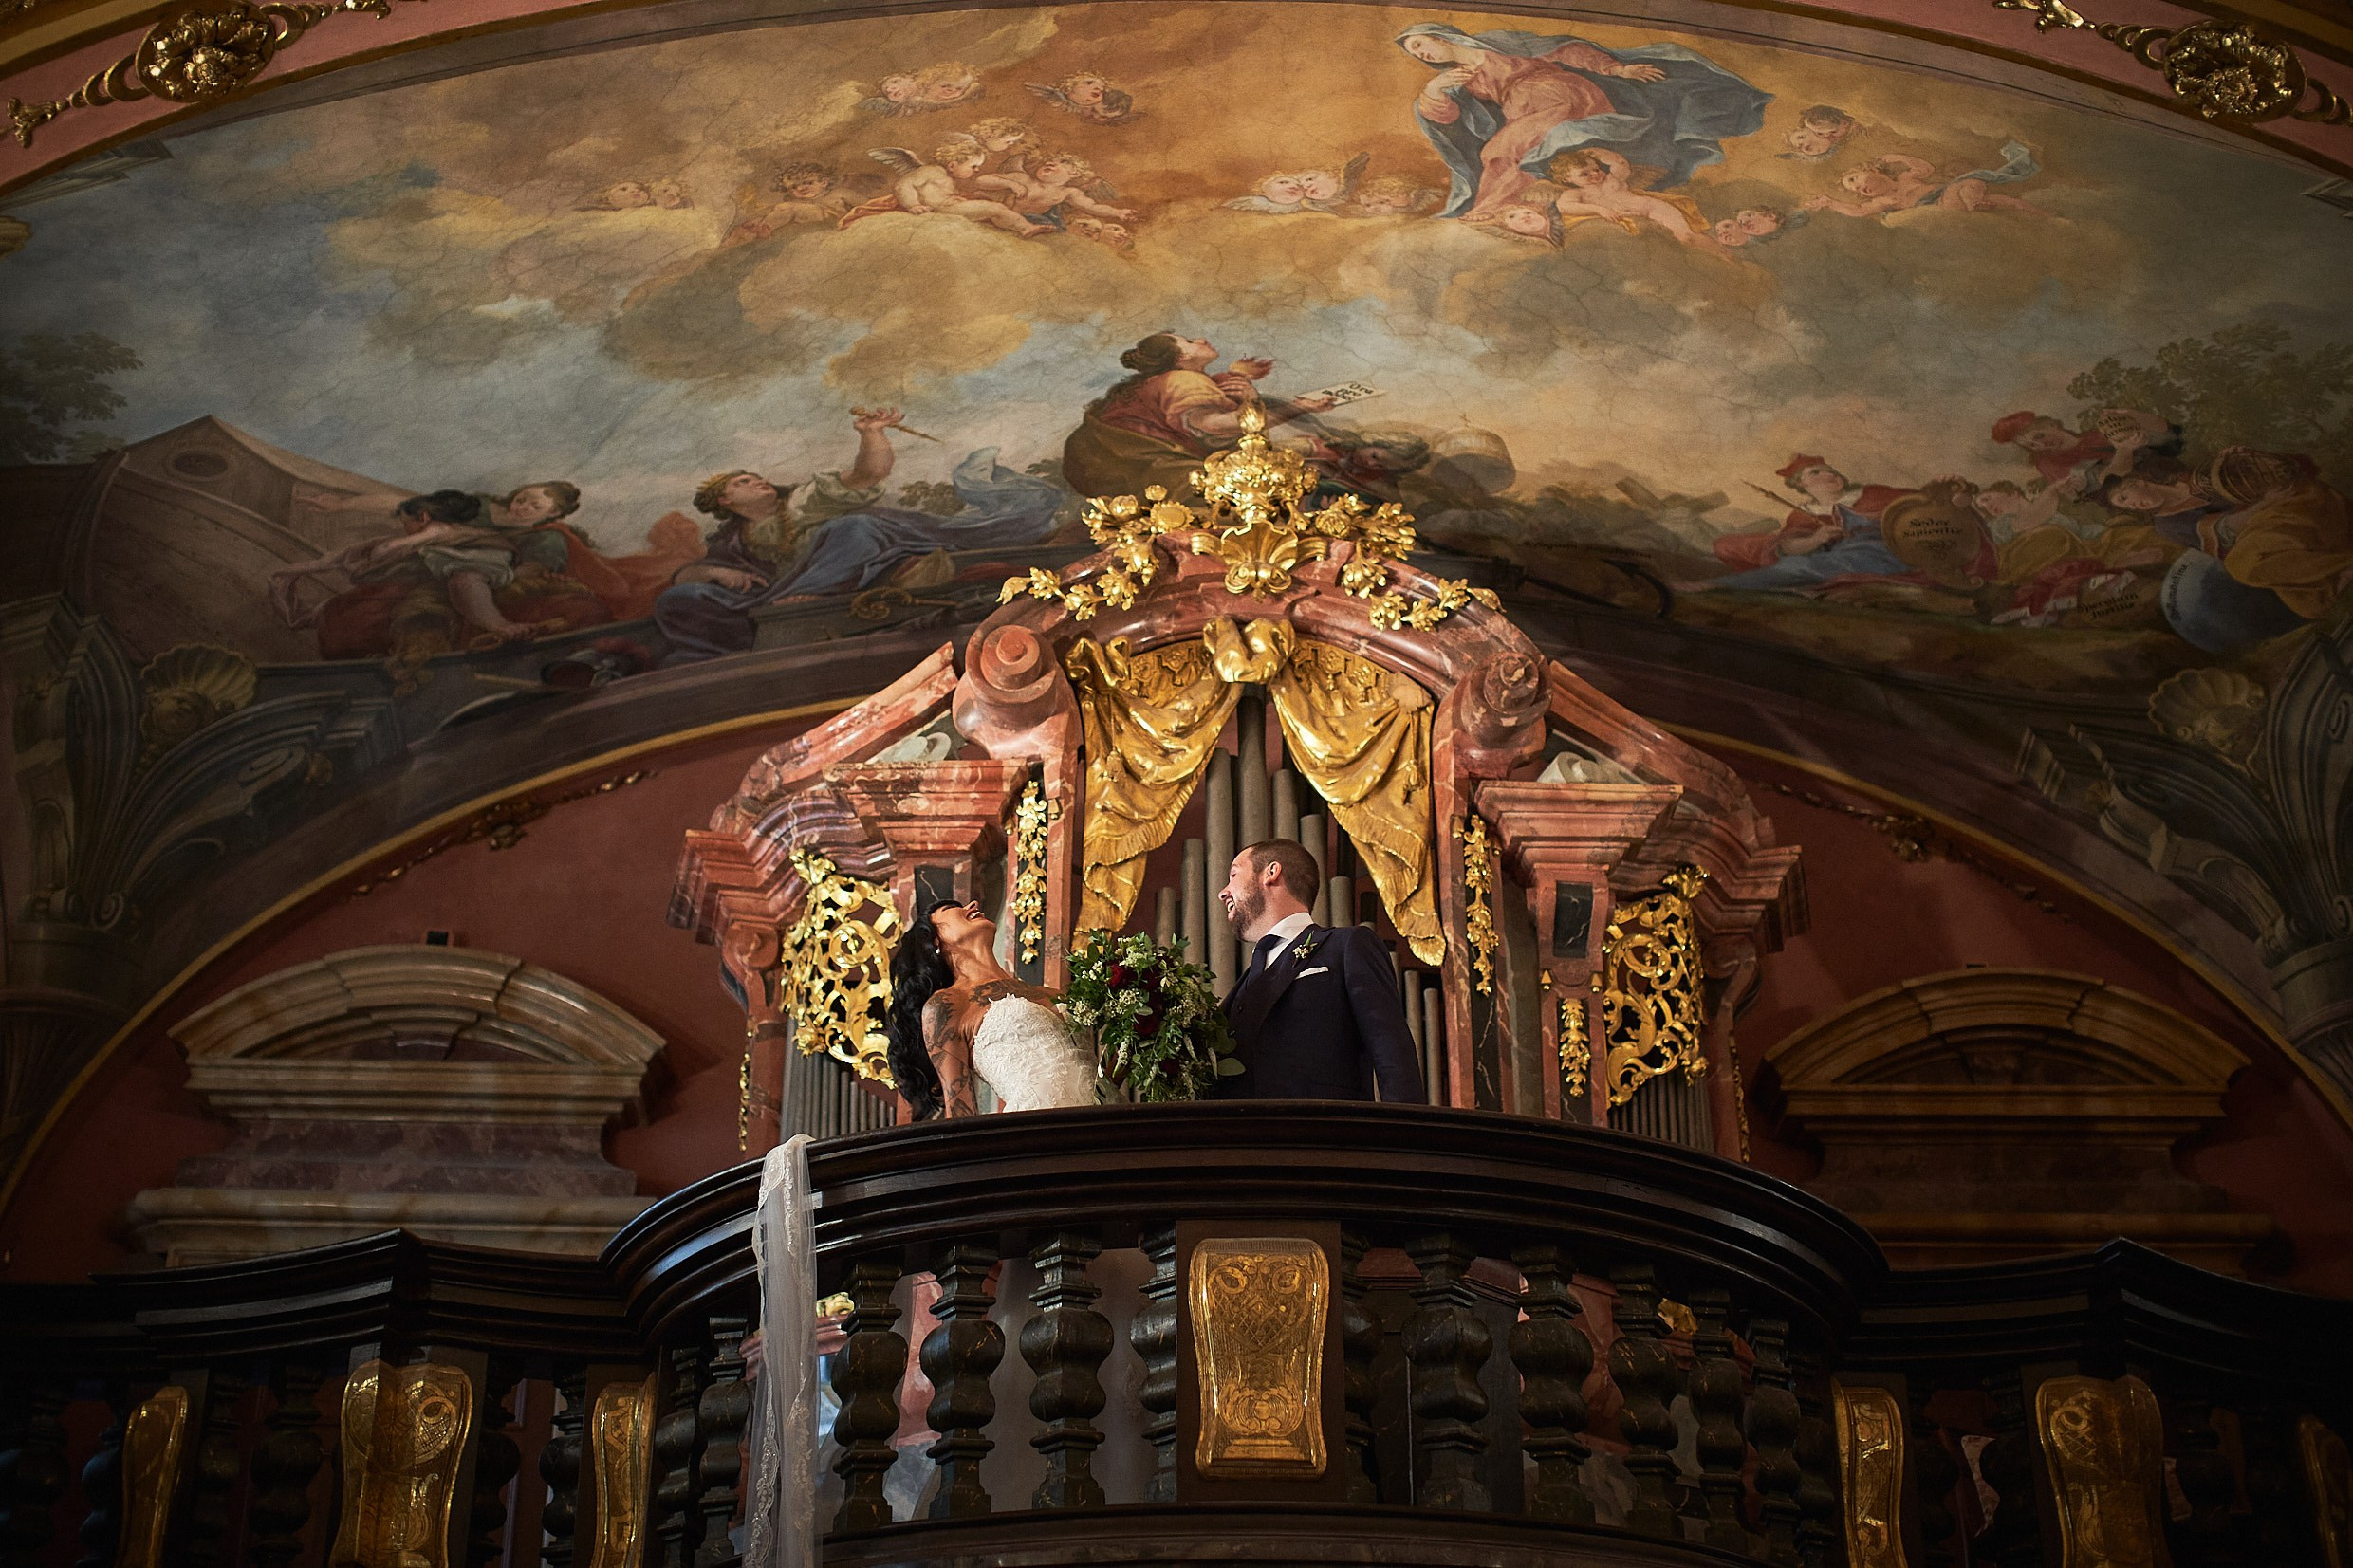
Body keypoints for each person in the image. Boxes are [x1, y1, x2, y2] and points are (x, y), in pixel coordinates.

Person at [652, 407, 1063, 664]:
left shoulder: (804, 500)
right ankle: (713, 658)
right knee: (677, 598)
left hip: (850, 564)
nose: (759, 481)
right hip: (766, 599)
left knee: (851, 526)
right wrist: (715, 575)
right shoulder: (733, 541)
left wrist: (872, 435)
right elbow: (688, 575)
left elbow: (869, 473)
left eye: (759, 476)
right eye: (745, 481)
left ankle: (811, 598)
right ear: (725, 498)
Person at [1396, 21, 1769, 218]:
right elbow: (1448, 120)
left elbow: (1565, 49)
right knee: (1508, 151)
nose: (1423, 53)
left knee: (1501, 149)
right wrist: (1434, 91)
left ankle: (1493, 208)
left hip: (1558, 94)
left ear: (1439, 34)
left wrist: (1615, 68)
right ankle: (1525, 208)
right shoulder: (1457, 77)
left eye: (1420, 43)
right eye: (1417, 53)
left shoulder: (1498, 42)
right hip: (1522, 110)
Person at [1209, 840, 1425, 1103]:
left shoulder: (1346, 947)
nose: (1223, 892)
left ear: (1271, 872)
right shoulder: (1241, 988)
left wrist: (1404, 1138)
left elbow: (1392, 1054)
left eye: (1234, 875)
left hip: (1326, 1137)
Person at [883, 899, 1101, 1116]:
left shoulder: (1053, 994)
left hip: (1105, 1129)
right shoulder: (947, 1005)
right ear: (935, 941)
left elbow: (1099, 1079)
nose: (973, 904)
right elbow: (961, 1113)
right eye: (950, 909)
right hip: (1037, 1137)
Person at [1060, 332, 1335, 499]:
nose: (1201, 340)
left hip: (1115, 463)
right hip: (1162, 470)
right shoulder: (1182, 380)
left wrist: (1238, 376)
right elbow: (1216, 426)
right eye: (1189, 341)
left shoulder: (1172, 379)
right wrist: (1297, 407)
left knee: (1304, 451)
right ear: (1180, 359)